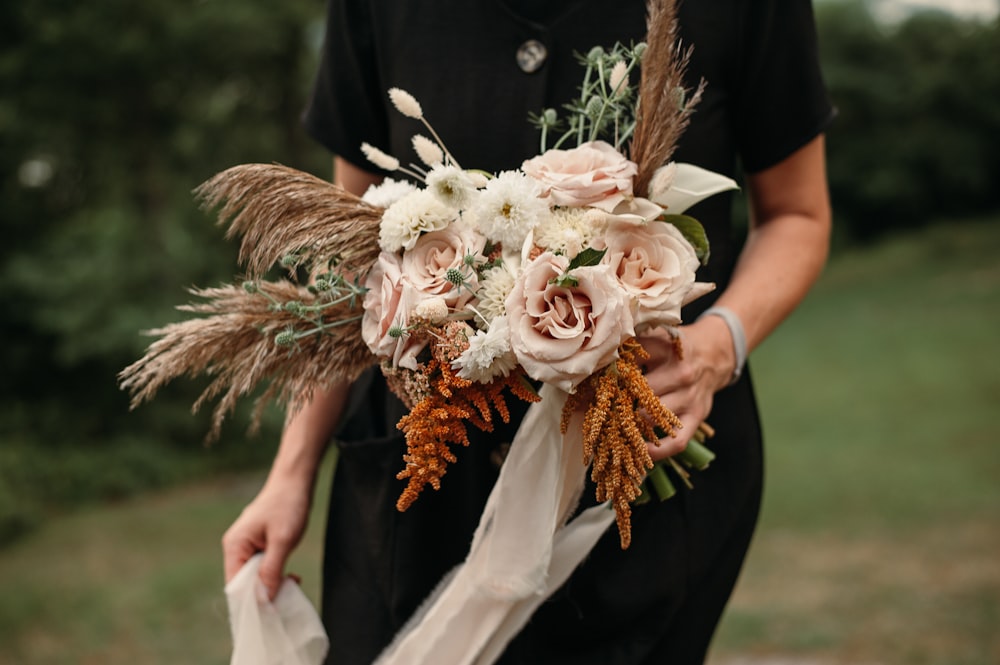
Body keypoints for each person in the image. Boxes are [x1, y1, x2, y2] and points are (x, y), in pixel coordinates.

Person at [222, 1, 834, 663]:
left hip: (633, 478)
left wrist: (716, 347)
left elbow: (796, 214)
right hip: (416, 489)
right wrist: (290, 473)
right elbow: (355, 260)